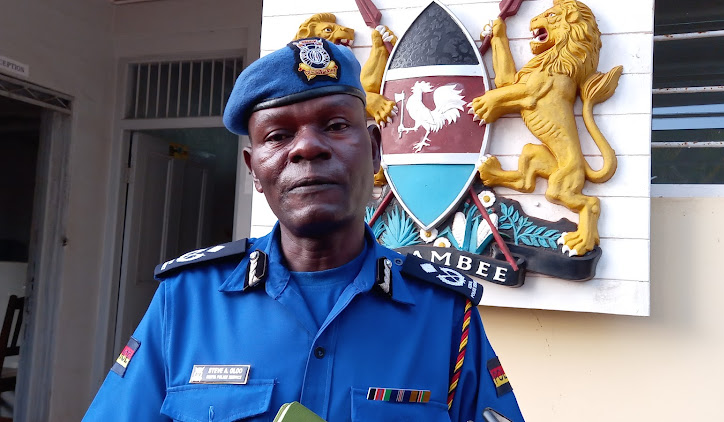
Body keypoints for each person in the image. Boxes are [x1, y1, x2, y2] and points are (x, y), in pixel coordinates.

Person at [84, 37, 525, 422]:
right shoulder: (186, 301)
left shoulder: (444, 314)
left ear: (374, 151)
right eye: (277, 136)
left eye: (335, 126)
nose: (309, 147)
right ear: (254, 170)